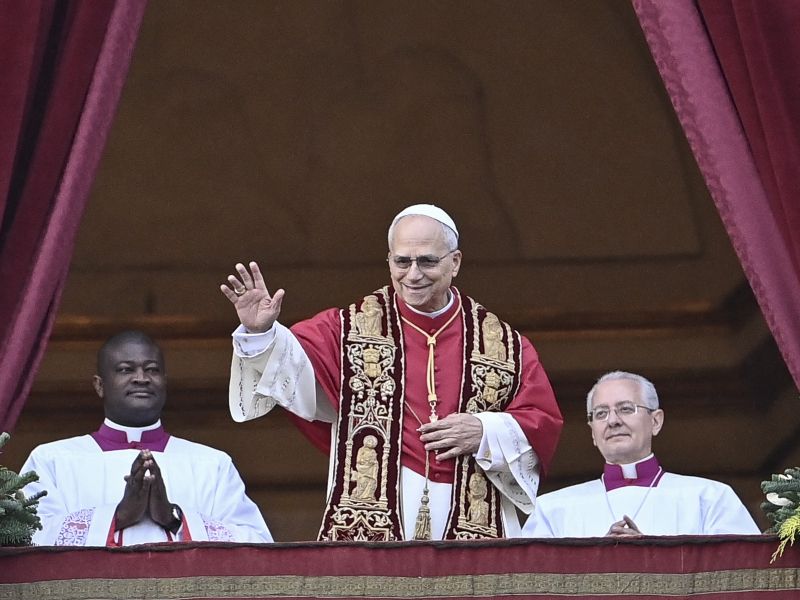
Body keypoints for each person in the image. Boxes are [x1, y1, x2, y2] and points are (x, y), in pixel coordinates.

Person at [221, 204, 563, 540]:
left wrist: (485, 431)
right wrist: (261, 332)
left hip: (474, 512)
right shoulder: (347, 328)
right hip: (377, 509)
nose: (413, 274)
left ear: (455, 262)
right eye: (402, 261)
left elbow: (542, 420)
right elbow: (295, 375)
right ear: (389, 261)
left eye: (427, 261)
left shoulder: (504, 345)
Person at [21, 330, 272, 546]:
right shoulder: (51, 460)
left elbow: (256, 544)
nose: (141, 378)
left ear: (165, 382)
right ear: (100, 385)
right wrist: (116, 517)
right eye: (125, 369)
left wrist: (174, 519)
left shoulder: (212, 464)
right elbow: (26, 538)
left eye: (152, 369)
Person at [523, 371, 759, 537]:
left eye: (626, 409)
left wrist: (650, 561)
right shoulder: (551, 510)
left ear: (655, 421)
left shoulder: (710, 498)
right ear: (593, 433)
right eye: (601, 413)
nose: (613, 421)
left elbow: (741, 581)